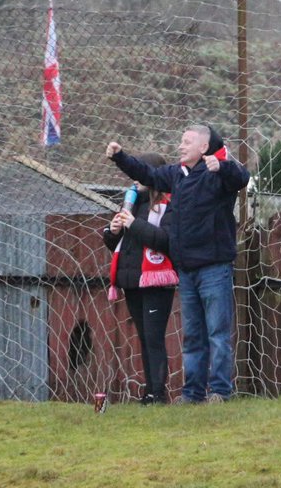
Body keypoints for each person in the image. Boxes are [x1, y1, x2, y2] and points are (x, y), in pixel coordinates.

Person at [105, 124, 250, 404]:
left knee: (218, 333)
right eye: (181, 141)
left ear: (204, 148)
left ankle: (219, 391)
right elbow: (147, 173)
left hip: (214, 268)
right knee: (193, 334)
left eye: (187, 142)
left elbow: (242, 178)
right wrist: (121, 157)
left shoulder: (218, 173)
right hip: (186, 269)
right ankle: (192, 393)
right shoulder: (176, 175)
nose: (180, 146)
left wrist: (222, 165)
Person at [102, 153, 178, 405]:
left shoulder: (169, 204)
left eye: (139, 176)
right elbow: (121, 244)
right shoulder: (131, 204)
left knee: (154, 337)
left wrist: (134, 224)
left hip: (157, 282)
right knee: (144, 337)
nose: (134, 181)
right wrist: (112, 232)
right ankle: (149, 391)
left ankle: (159, 393)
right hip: (132, 280)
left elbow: (165, 241)